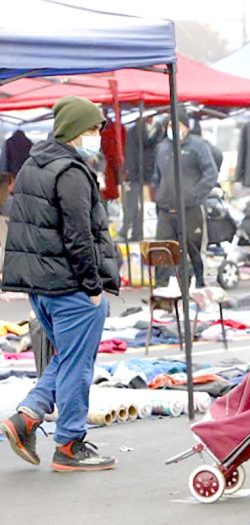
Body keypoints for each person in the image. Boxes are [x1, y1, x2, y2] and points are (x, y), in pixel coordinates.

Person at [0, 96, 120, 471]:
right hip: (71, 286)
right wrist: (93, 286)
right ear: (77, 131)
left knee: (67, 357)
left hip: (42, 287)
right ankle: (69, 443)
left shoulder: (34, 164)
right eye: (94, 129)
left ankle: (28, 416)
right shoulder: (70, 171)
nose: (98, 136)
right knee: (77, 365)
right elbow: (78, 234)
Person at [153, 106, 219, 288]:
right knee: (162, 249)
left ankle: (197, 284)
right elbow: (156, 176)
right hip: (166, 210)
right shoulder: (162, 147)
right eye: (170, 125)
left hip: (190, 209)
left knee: (192, 249)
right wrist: (159, 196)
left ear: (186, 127)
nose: (173, 129)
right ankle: (161, 287)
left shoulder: (198, 146)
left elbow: (210, 173)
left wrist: (196, 194)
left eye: (178, 125)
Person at [119, 115, 163, 241]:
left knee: (135, 205)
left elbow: (130, 153)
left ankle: (133, 232)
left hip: (141, 175)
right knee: (139, 205)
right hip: (150, 174)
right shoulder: (160, 132)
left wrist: (129, 174)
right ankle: (136, 233)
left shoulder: (134, 131)